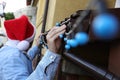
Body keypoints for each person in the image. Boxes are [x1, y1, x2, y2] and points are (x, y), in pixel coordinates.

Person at [0, 15, 66, 80]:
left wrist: (37, 46)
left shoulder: (10, 51)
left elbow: (25, 57)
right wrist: (51, 54)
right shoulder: (11, 58)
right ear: (24, 44)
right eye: (32, 41)